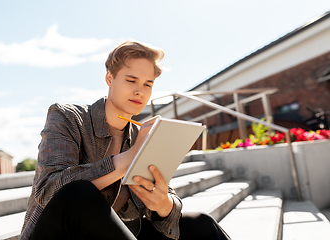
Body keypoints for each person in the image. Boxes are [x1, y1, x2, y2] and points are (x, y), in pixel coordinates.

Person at [20, 41, 231, 240]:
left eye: (148, 84)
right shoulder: (68, 117)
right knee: (80, 192)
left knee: (201, 225)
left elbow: (168, 199)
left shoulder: (140, 135)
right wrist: (131, 156)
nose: (140, 91)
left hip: (121, 232)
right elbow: (49, 191)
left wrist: (164, 204)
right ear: (109, 79)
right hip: (61, 234)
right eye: (131, 80)